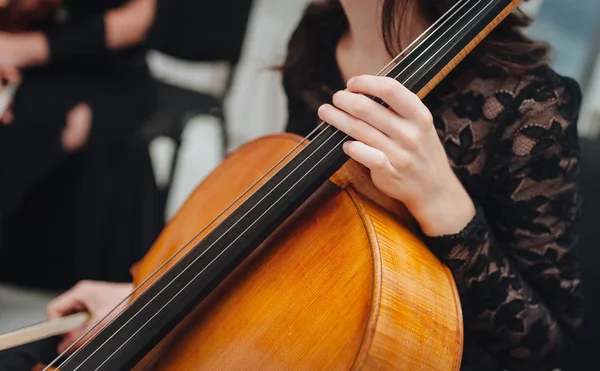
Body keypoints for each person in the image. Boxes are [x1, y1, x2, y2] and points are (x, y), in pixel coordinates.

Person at [0, 0, 585, 370]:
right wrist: (150, 296)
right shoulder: (321, 31)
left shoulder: (532, 102)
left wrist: (442, 200)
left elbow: (544, 349)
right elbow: (286, 233)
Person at [0, 0, 164, 291]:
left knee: (32, 120)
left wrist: (22, 49)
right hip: (28, 58)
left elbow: (135, 22)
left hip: (102, 69)